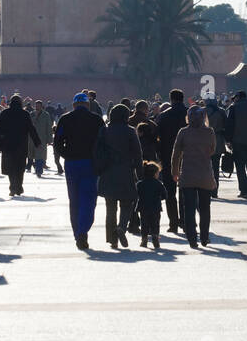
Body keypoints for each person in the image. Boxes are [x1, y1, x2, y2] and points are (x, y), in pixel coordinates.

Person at [53, 92, 105, 250]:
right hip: (90, 164)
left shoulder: (65, 119)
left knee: (74, 200)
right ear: (87, 105)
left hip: (72, 164)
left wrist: (66, 155)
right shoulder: (96, 119)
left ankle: (78, 233)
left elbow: (57, 142)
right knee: (88, 199)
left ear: (74, 104)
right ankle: (83, 231)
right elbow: (104, 142)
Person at [95, 103, 142, 248]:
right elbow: (137, 153)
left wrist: (98, 169)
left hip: (108, 171)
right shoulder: (130, 131)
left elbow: (97, 150)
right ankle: (121, 226)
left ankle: (112, 239)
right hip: (125, 171)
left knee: (110, 208)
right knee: (128, 202)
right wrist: (139, 172)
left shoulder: (104, 130)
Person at [172, 105, 217, 249]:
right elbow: (212, 150)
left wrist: (175, 172)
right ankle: (204, 237)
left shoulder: (183, 132)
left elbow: (176, 154)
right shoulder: (210, 132)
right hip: (205, 174)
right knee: (205, 208)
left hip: (188, 174)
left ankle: (192, 238)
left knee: (189, 208)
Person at [0, 94, 42, 197]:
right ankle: (19, 187)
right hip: (21, 145)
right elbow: (31, 128)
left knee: (10, 167)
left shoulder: (5, 113)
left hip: (8, 145)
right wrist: (37, 142)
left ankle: (12, 187)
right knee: (20, 167)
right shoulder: (24, 114)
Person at [156, 90, 189, 234]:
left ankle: (173, 223)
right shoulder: (190, 114)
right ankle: (186, 221)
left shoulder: (164, 116)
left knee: (170, 191)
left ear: (171, 99)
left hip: (168, 156)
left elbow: (158, 138)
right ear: (182, 99)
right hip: (188, 157)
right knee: (186, 191)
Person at [137, 162, 167, 249]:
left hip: (143, 207)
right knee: (155, 224)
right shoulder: (158, 184)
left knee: (144, 224)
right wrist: (158, 198)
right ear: (155, 173)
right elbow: (165, 195)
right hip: (155, 207)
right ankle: (155, 237)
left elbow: (136, 194)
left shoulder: (140, 184)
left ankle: (144, 238)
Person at [30, 99, 54, 176]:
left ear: (41, 106)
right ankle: (36, 167)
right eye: (36, 105)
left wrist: (50, 139)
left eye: (39, 105)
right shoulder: (31, 114)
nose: (37, 107)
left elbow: (49, 127)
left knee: (40, 155)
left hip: (42, 138)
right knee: (32, 154)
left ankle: (39, 171)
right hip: (32, 138)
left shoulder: (46, 115)